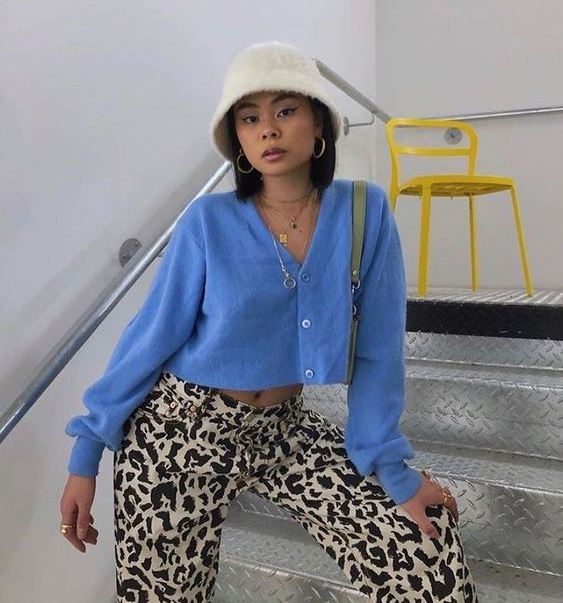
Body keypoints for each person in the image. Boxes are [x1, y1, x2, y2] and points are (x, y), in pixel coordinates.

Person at [60, 41, 477, 602]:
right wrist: (87, 452)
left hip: (283, 432)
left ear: (319, 123)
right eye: (249, 118)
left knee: (425, 554)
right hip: (178, 434)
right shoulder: (207, 222)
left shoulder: (364, 212)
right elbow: (149, 338)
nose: (268, 130)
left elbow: (378, 351)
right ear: (236, 138)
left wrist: (393, 470)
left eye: (285, 110)